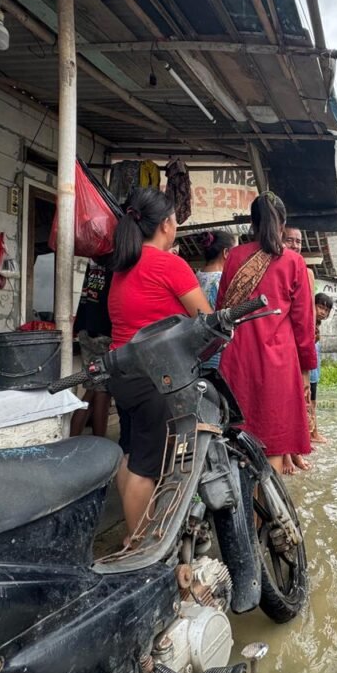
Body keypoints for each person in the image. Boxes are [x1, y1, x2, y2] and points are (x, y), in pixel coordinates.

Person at [107, 189, 212, 545]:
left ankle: (133, 531)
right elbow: (206, 321)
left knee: (132, 453)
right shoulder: (169, 265)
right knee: (147, 467)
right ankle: (140, 546)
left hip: (122, 372)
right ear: (166, 224)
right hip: (156, 376)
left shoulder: (123, 266)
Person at [218, 193, 317, 476]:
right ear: (282, 224)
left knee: (239, 439)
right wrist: (306, 370)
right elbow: (303, 324)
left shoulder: (235, 256)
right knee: (272, 443)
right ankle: (266, 517)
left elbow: (222, 310)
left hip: (237, 359)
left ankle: (245, 515)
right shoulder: (293, 262)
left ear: (252, 221)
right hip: (278, 362)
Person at [282, 225, 320, 463]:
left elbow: (309, 312)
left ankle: (296, 450)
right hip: (283, 342)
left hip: (302, 341)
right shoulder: (278, 265)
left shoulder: (307, 272)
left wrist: (311, 336)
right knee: (284, 398)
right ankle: (285, 453)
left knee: (302, 397)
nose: (295, 245)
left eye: (298, 241)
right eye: (289, 240)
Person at [70, 256, 113, 437]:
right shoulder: (114, 265)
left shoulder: (93, 262)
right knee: (102, 391)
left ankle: (73, 436)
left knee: (92, 387)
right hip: (103, 332)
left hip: (86, 329)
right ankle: (99, 442)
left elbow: (87, 296)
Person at [195, 230, 235, 370]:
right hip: (217, 353)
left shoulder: (196, 276)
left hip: (194, 350)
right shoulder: (222, 281)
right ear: (226, 253)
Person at [309, 293, 334, 443]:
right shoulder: (309, 325)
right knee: (309, 403)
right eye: (320, 307)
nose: (323, 312)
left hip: (314, 373)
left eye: (326, 309)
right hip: (309, 372)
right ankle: (312, 433)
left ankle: (313, 433)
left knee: (312, 403)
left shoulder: (316, 326)